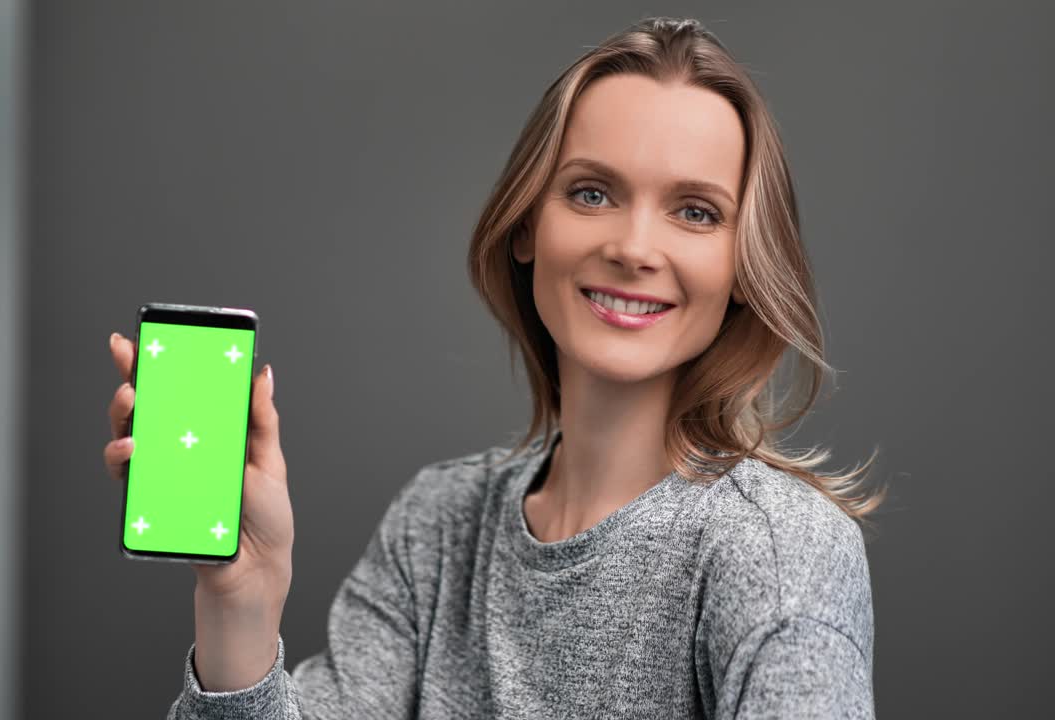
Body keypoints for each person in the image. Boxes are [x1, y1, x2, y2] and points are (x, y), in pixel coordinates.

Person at [104, 16, 883, 719]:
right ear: (526, 227)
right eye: (591, 193)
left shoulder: (782, 554)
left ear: (743, 268)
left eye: (695, 211)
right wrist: (242, 599)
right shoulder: (436, 522)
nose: (635, 248)